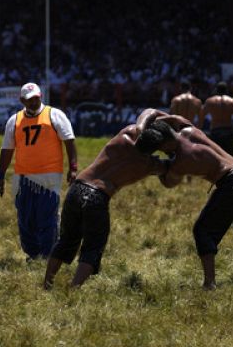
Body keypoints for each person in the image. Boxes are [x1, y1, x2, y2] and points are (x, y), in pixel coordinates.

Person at [43, 109, 169, 289]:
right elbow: (169, 171)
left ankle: (47, 284)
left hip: (77, 188)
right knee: (93, 246)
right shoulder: (148, 165)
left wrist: (163, 117)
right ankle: (74, 288)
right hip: (97, 197)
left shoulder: (124, 136)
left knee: (66, 239)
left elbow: (148, 112)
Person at [138, 113, 233, 289]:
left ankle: (210, 283)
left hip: (231, 183)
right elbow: (170, 116)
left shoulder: (182, 160)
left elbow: (169, 183)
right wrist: (149, 127)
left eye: (161, 149)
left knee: (202, 230)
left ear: (165, 143)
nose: (164, 152)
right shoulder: (190, 130)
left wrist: (155, 168)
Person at [0, 82, 78, 261]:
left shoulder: (54, 115)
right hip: (22, 176)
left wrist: (73, 168)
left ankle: (49, 256)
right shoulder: (14, 120)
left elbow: (69, 141)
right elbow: (7, 150)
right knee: (25, 218)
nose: (33, 102)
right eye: (29, 100)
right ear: (22, 100)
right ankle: (33, 255)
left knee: (47, 216)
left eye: (36, 98)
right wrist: (0, 176)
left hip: (49, 176)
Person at [200, 84, 233, 156]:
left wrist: (199, 130)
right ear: (226, 91)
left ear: (216, 90)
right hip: (228, 131)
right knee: (230, 157)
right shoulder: (232, 101)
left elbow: (201, 116)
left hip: (215, 131)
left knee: (216, 156)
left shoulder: (209, 101)